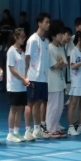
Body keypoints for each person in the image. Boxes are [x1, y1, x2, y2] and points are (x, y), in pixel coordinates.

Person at [25, 12, 51, 140]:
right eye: (46, 22)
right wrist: (26, 75)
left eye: (49, 22)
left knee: (40, 102)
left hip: (44, 78)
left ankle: (37, 129)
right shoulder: (33, 39)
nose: (48, 24)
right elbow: (27, 57)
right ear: (39, 23)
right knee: (30, 103)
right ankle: (27, 131)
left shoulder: (46, 41)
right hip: (33, 77)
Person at [6, 28, 30, 142]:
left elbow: (25, 67)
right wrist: (22, 79)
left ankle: (16, 132)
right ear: (15, 37)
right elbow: (12, 68)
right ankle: (10, 133)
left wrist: (26, 78)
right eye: (21, 37)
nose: (23, 39)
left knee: (20, 108)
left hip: (22, 85)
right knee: (14, 108)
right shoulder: (11, 51)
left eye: (24, 37)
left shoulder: (22, 51)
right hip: (14, 85)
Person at [46, 24, 68, 138]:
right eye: (60, 34)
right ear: (53, 36)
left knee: (59, 107)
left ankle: (56, 128)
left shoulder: (60, 48)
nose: (61, 36)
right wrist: (59, 63)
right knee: (52, 106)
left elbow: (64, 63)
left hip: (60, 81)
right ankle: (50, 129)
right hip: (52, 82)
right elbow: (54, 65)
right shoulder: (49, 48)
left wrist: (60, 63)